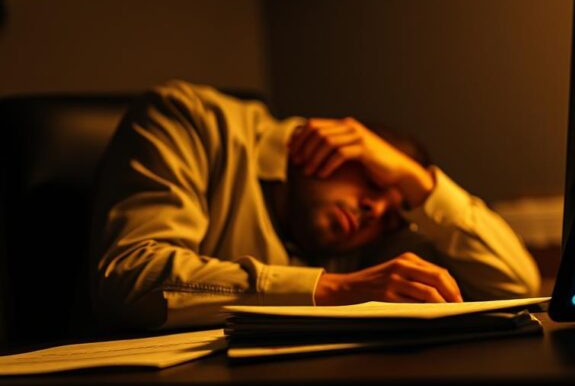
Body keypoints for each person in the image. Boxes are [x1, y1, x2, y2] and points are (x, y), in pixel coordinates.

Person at [90, 80, 541, 331]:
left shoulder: (367, 239)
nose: (375, 212)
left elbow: (516, 282)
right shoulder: (192, 121)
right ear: (335, 139)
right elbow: (131, 277)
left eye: (392, 211)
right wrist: (336, 289)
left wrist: (415, 181)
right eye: (370, 177)